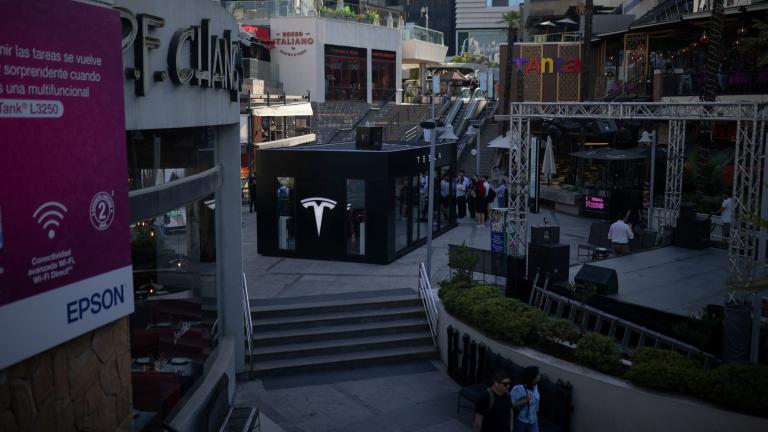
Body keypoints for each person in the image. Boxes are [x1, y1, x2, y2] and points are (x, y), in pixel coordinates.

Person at [511, 366, 541, 432]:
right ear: (532, 378)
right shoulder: (519, 388)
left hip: (533, 420)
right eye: (538, 374)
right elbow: (512, 404)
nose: (539, 376)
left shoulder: (535, 387)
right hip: (521, 420)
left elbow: (536, 400)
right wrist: (525, 400)